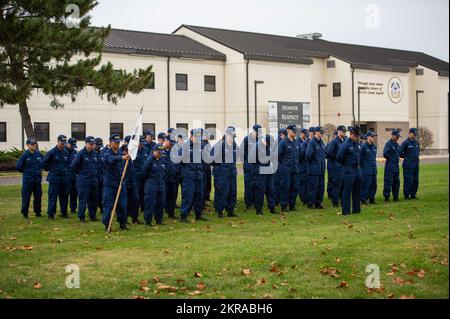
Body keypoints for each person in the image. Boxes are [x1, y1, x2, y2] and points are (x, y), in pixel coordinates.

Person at [101, 134, 130, 231]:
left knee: (122, 204)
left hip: (120, 183)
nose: (117, 145)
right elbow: (111, 160)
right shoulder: (107, 153)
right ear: (110, 143)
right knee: (108, 205)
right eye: (115, 143)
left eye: (118, 143)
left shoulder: (121, 153)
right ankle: (107, 224)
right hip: (109, 184)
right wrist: (122, 157)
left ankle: (122, 223)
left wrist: (126, 157)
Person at [178, 129, 206, 223]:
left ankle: (198, 215)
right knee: (187, 196)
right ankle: (183, 216)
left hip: (198, 175)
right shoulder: (185, 146)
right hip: (188, 176)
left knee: (199, 196)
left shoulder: (201, 146)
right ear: (191, 136)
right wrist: (187, 168)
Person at [211, 126, 239, 218]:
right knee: (222, 192)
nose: (232, 138)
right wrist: (220, 166)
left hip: (232, 172)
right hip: (222, 173)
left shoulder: (234, 146)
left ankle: (230, 211)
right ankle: (220, 211)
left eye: (233, 136)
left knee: (232, 192)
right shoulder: (220, 145)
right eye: (231, 136)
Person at [40, 134, 70, 219]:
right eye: (61, 142)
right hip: (54, 178)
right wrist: (50, 168)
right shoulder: (51, 152)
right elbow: (42, 163)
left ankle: (64, 213)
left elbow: (68, 164)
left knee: (64, 196)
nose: (63, 144)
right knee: (53, 196)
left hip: (64, 178)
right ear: (58, 141)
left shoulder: (65, 152)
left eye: (64, 143)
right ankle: (51, 214)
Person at [71, 136, 98, 222]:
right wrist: (81, 174)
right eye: (90, 144)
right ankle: (81, 216)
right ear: (86, 144)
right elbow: (74, 165)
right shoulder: (81, 153)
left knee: (93, 199)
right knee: (83, 199)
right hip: (84, 181)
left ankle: (92, 215)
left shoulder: (94, 153)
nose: (92, 146)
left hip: (93, 180)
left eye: (93, 144)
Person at [336, 126, 362, 215]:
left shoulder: (357, 144)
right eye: (356, 135)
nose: (357, 137)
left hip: (357, 170)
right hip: (348, 170)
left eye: (358, 135)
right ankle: (346, 211)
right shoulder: (346, 144)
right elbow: (339, 157)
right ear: (351, 134)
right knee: (347, 191)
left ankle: (356, 210)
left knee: (357, 191)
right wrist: (347, 164)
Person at [16, 138, 43, 218]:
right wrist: (26, 173)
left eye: (35, 144)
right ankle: (25, 213)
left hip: (37, 180)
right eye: (32, 144)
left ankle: (37, 212)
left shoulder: (38, 154)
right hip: (28, 181)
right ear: (27, 145)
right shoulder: (24, 155)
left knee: (38, 197)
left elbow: (44, 162)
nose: (34, 145)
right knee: (26, 197)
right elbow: (18, 167)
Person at [140, 144, 166, 226]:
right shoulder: (149, 160)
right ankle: (148, 221)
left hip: (161, 185)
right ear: (154, 151)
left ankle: (159, 220)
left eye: (161, 152)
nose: (160, 154)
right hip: (151, 186)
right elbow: (143, 173)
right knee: (150, 204)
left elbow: (164, 172)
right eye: (159, 152)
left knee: (161, 203)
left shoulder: (162, 160)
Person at [252, 134, 277, 215]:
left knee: (271, 189)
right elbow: (252, 159)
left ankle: (272, 207)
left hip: (268, 170)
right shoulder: (256, 146)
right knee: (260, 190)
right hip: (259, 171)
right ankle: (259, 210)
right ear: (265, 141)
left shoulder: (268, 146)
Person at [278, 124, 300, 212]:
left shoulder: (296, 142)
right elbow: (278, 155)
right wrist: (284, 164)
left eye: (295, 131)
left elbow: (298, 156)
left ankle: (292, 205)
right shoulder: (283, 142)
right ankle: (284, 205)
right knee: (285, 188)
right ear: (288, 131)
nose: (295, 133)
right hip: (286, 170)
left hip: (294, 169)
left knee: (294, 188)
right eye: (293, 131)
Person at [325, 125, 347, 207]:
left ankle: (342, 200)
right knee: (336, 184)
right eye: (342, 131)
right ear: (338, 131)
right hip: (335, 166)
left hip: (343, 166)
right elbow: (329, 153)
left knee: (343, 184)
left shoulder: (345, 140)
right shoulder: (334, 141)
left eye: (345, 131)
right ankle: (335, 201)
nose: (344, 133)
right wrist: (338, 157)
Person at [120, 143, 141, 225]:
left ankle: (134, 218)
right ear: (125, 151)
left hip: (133, 183)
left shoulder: (132, 158)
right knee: (125, 203)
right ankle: (124, 219)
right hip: (125, 184)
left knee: (136, 200)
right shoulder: (122, 159)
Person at [305, 126, 326, 209]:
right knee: (313, 187)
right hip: (314, 169)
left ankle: (318, 203)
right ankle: (310, 203)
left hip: (321, 169)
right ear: (316, 132)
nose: (322, 134)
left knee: (321, 187)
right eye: (320, 132)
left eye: (322, 132)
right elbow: (308, 155)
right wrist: (314, 163)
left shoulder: (321, 142)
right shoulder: (312, 142)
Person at [241, 124, 260, 210]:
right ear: (253, 130)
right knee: (248, 185)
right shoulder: (246, 139)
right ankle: (248, 203)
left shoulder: (259, 139)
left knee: (256, 185)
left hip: (257, 166)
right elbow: (242, 152)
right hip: (248, 166)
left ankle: (256, 202)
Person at [400, 128, 420, 200]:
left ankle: (413, 195)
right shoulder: (405, 143)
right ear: (409, 133)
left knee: (415, 181)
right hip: (408, 166)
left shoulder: (416, 143)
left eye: (415, 134)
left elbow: (418, 152)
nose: (414, 135)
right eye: (413, 134)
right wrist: (406, 157)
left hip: (415, 165)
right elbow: (400, 152)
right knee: (408, 181)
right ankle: (406, 195)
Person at [132, 135, 149, 219]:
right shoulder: (133, 151)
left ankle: (143, 207)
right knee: (137, 193)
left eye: (143, 143)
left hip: (144, 175)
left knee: (144, 192)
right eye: (140, 143)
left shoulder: (146, 150)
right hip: (136, 175)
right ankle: (135, 209)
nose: (142, 145)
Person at [383, 129, 401, 202]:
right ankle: (387, 197)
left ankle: (395, 197)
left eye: (398, 137)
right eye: (396, 136)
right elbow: (385, 153)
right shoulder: (389, 144)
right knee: (388, 182)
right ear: (393, 135)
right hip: (390, 166)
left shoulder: (397, 145)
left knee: (396, 182)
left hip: (396, 166)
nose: (398, 138)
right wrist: (391, 159)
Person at [360, 131, 378, 204]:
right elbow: (360, 159)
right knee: (366, 185)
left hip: (373, 169)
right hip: (366, 170)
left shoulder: (374, 147)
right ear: (368, 137)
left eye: (374, 136)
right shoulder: (363, 147)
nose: (374, 138)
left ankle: (372, 198)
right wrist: (363, 167)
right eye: (372, 136)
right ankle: (363, 199)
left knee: (374, 185)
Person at [164, 136, 178, 218]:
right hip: (163, 178)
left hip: (172, 177)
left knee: (172, 197)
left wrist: (175, 170)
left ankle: (171, 213)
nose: (172, 145)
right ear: (166, 141)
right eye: (171, 143)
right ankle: (160, 214)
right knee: (163, 197)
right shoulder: (159, 150)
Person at [274, 128, 287, 206]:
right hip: (279, 164)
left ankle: (277, 200)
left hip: (278, 164)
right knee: (279, 183)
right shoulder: (280, 142)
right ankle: (277, 200)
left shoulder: (276, 141)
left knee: (277, 183)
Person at [65, 137, 78, 214]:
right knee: (66, 193)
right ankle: (64, 209)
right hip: (66, 176)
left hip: (74, 176)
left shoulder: (75, 152)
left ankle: (73, 208)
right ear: (68, 144)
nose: (73, 147)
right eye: (72, 145)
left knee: (74, 193)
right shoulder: (64, 151)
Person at [297, 128, 308, 205]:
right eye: (305, 134)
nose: (306, 136)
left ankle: (305, 196)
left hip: (306, 164)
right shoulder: (298, 141)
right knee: (301, 182)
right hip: (300, 164)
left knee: (306, 181)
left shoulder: (306, 141)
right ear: (301, 133)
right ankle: (302, 197)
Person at [201, 130, 213, 207]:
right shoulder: (202, 144)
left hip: (208, 166)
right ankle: (203, 200)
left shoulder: (207, 143)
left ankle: (207, 197)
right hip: (203, 167)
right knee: (204, 184)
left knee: (208, 183)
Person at [94, 137, 105, 214]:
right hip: (94, 178)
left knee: (102, 195)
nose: (99, 148)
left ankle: (102, 208)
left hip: (101, 178)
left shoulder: (102, 153)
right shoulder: (91, 153)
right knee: (95, 196)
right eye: (98, 146)